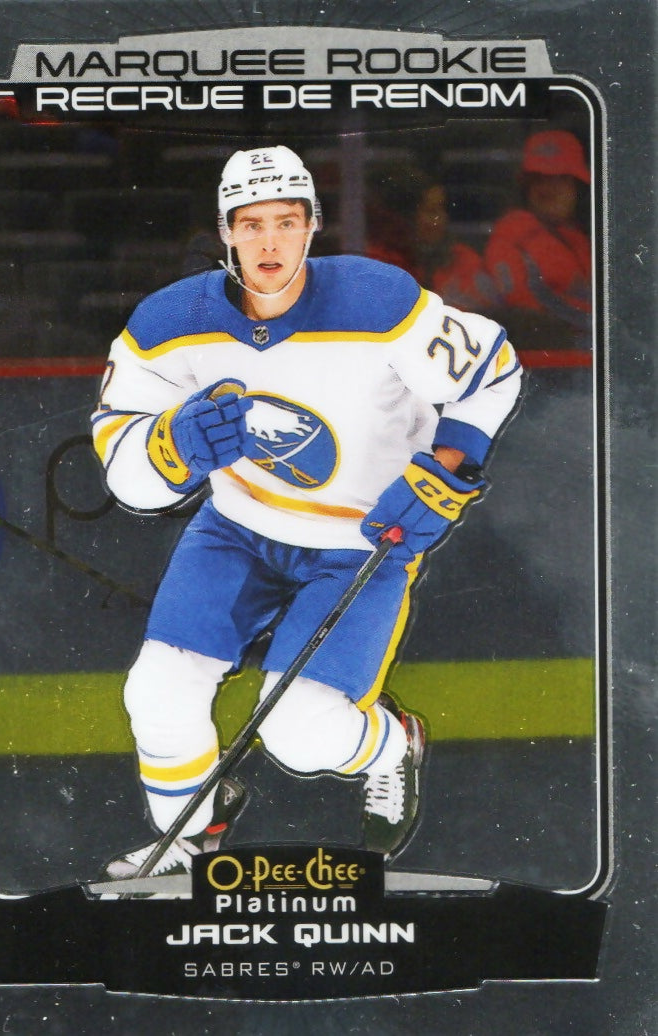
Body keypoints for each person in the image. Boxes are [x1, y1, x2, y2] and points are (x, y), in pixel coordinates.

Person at [91, 145, 522, 880]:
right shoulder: (170, 321)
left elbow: (492, 370)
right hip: (236, 530)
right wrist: (172, 445)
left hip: (362, 543)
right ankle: (190, 838)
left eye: (286, 222)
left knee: (300, 732)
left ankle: (393, 744)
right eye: (251, 224)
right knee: (156, 692)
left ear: (312, 225)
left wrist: (443, 471)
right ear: (226, 231)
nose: (269, 242)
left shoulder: (378, 301)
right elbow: (131, 476)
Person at [484, 130, 591, 340]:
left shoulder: (582, 236)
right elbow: (527, 314)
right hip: (547, 350)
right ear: (526, 187)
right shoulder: (512, 233)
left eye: (560, 179)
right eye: (539, 179)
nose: (549, 189)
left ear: (577, 186)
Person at [367, 171, 499, 312]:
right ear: (405, 218)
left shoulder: (462, 258)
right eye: (431, 211)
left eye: (442, 210)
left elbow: (489, 315)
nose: (441, 220)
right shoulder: (377, 265)